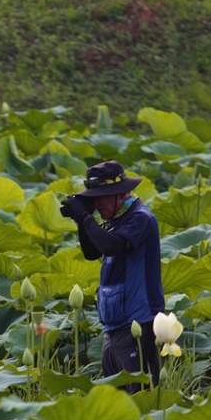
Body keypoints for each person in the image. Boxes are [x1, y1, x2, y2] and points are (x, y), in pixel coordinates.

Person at [58, 161, 164, 389]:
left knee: (139, 398)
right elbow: (91, 251)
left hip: (139, 323)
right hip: (114, 325)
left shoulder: (140, 217)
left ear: (120, 194)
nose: (97, 204)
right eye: (93, 199)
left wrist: (87, 218)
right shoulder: (116, 221)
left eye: (101, 197)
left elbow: (111, 246)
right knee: (117, 402)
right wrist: (82, 219)